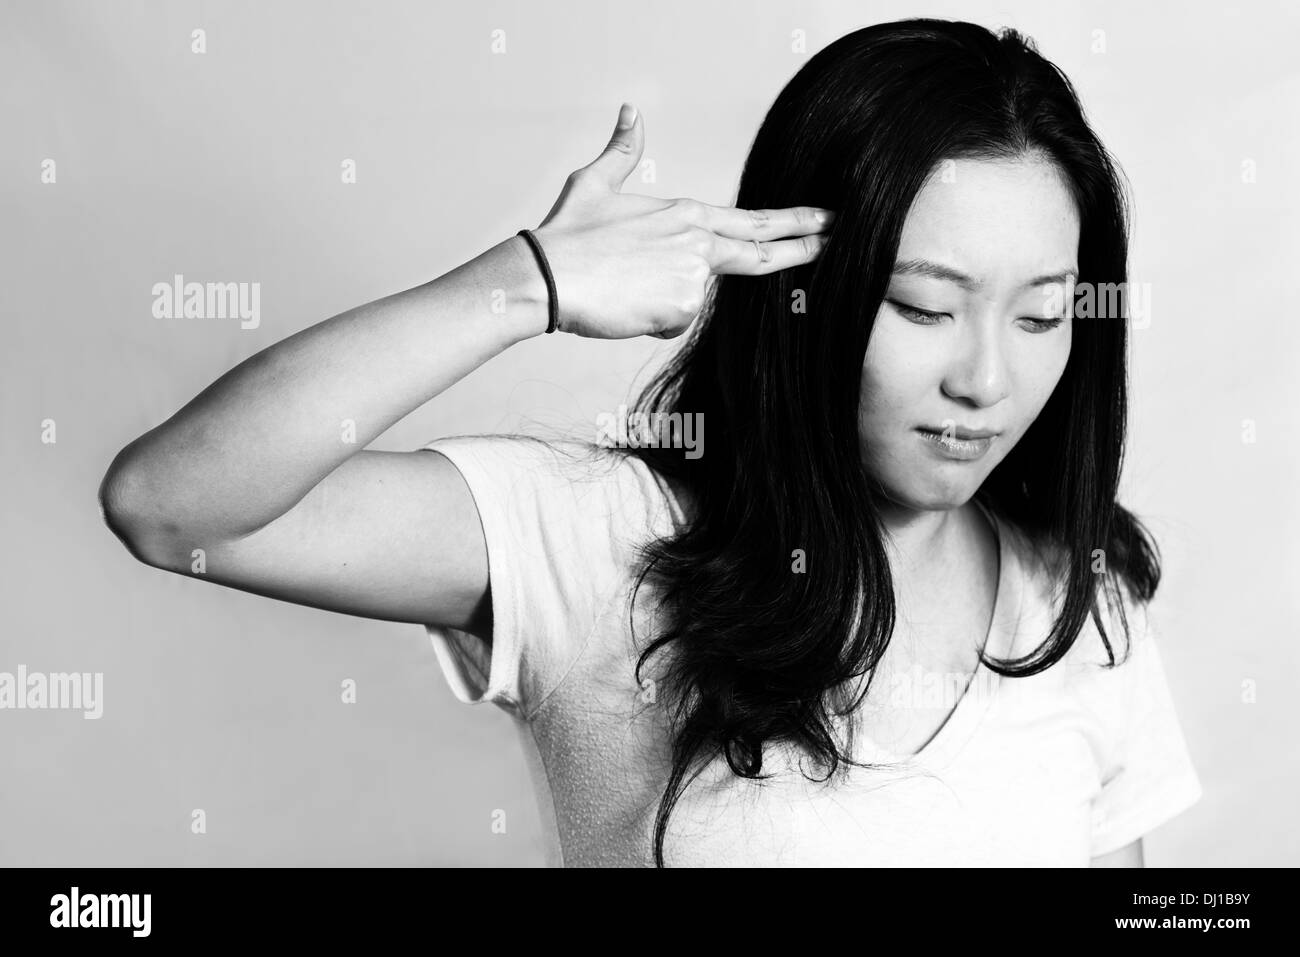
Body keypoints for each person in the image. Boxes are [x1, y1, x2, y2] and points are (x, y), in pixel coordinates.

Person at [99, 18, 1203, 867]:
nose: (986, 378)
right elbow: (172, 506)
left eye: (1042, 315)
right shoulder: (599, 541)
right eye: (922, 307)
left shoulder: (1082, 597)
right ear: (798, 292)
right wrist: (520, 285)